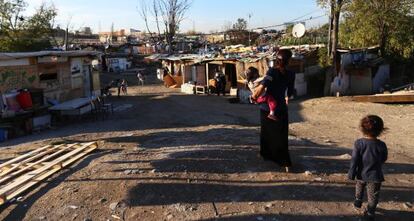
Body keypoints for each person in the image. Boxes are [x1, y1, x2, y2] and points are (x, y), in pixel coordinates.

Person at [251, 49, 295, 172]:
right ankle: (285, 163)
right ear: (289, 61)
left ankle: (266, 154)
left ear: (276, 60)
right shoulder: (291, 74)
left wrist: (254, 96)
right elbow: (290, 92)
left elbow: (262, 86)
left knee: (267, 132)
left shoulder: (272, 72)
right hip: (281, 108)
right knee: (281, 135)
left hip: (266, 108)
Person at [348, 115, 388, 221]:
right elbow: (384, 158)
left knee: (359, 186)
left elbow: (354, 160)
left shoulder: (359, 143)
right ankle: (370, 213)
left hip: (361, 173)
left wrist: (351, 172)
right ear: (381, 130)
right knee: (373, 196)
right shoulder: (382, 145)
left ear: (362, 128)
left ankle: (358, 200)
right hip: (375, 176)